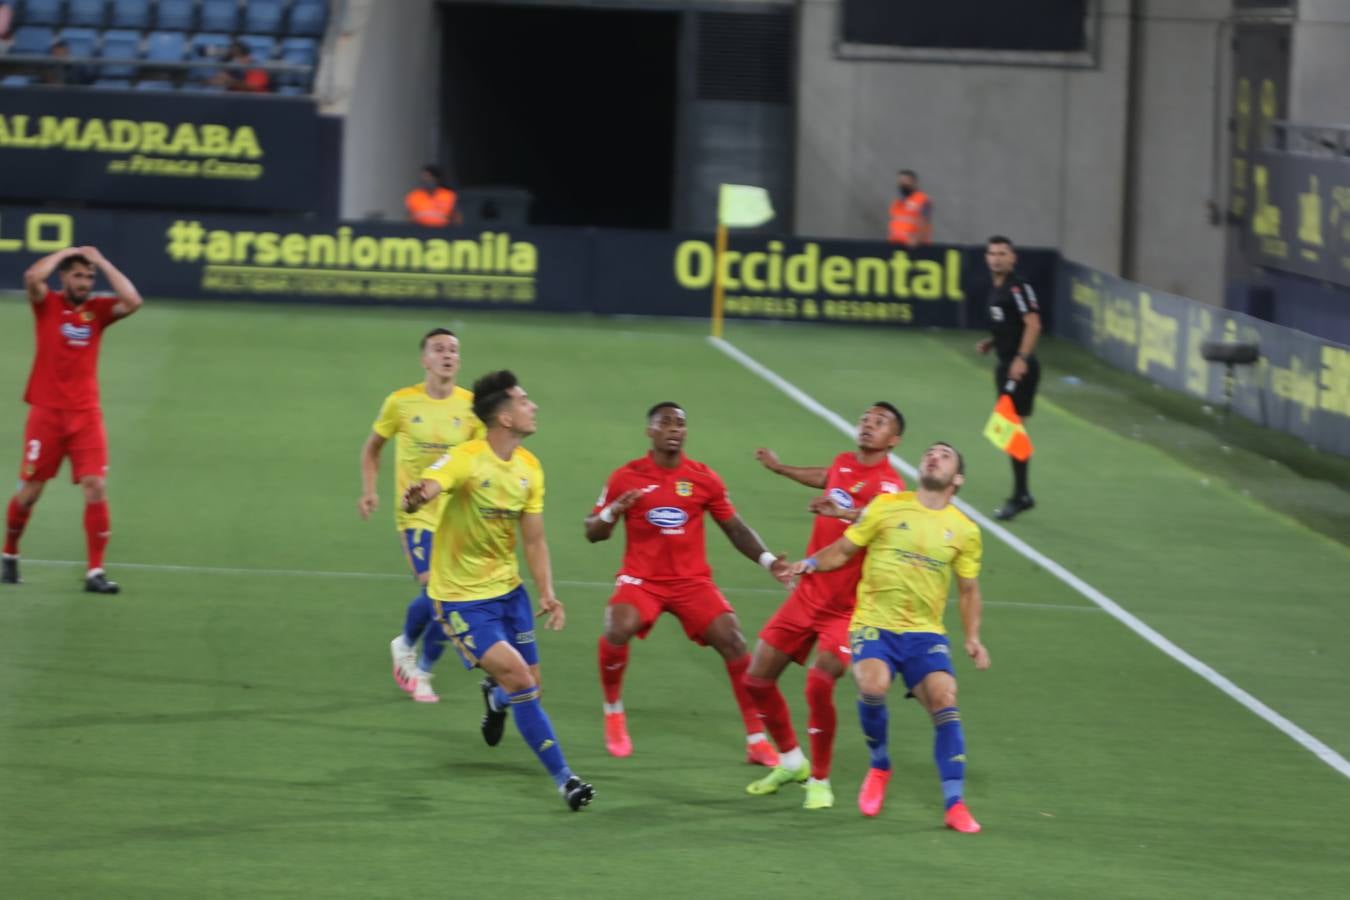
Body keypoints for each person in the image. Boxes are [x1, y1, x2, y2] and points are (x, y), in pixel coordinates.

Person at [401, 370, 593, 811]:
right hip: (462, 601)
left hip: (510, 594)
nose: (534, 406)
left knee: (530, 689)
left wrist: (547, 592)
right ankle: (567, 780)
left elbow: (534, 539)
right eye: (525, 401)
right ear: (504, 417)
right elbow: (435, 482)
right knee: (522, 680)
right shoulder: (466, 457)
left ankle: (496, 697)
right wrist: (419, 495)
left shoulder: (529, 467)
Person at [786, 442, 989, 832]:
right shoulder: (886, 506)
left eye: (944, 455)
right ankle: (879, 764)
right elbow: (844, 550)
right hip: (874, 624)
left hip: (924, 632)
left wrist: (973, 638)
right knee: (873, 684)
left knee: (945, 698)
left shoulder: (965, 530)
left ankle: (955, 803)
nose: (933, 456)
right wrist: (809, 563)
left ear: (958, 478)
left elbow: (968, 589)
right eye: (930, 452)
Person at [585, 402, 793, 765]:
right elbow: (593, 532)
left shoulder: (703, 478)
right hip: (642, 580)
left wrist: (769, 561)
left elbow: (734, 528)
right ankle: (614, 712)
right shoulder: (626, 477)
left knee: (733, 640)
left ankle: (757, 739)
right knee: (617, 627)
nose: (675, 429)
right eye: (665, 423)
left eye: (681, 424)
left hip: (691, 583)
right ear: (650, 431)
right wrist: (612, 511)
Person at [743, 403, 906, 810]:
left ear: (894, 440)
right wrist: (781, 469)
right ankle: (791, 761)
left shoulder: (890, 486)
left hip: (851, 609)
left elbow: (878, 520)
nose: (868, 424)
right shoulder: (843, 464)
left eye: (880, 422)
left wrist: (845, 512)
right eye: (866, 418)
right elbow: (826, 478)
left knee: (819, 683)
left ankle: (820, 779)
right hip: (808, 593)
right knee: (756, 680)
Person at [3, 247, 143, 593]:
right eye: (78, 275)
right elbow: (32, 277)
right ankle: (9, 554)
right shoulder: (46, 304)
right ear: (64, 276)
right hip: (46, 414)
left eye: (88, 277)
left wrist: (104, 262)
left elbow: (133, 301)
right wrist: (69, 252)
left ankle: (95, 572)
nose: (84, 282)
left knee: (95, 486)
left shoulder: (98, 312)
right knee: (30, 493)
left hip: (85, 415)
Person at [359, 328, 484, 703]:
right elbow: (372, 449)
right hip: (417, 515)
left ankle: (424, 668)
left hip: (458, 518)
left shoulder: (472, 408)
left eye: (453, 350)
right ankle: (406, 646)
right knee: (435, 585)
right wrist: (369, 491)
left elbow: (480, 461)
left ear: (459, 360)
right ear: (424, 359)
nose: (447, 355)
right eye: (439, 349)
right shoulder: (400, 403)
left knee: (451, 594)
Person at [975, 235, 1042, 521]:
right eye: (992, 253)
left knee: (1008, 429)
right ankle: (1021, 493)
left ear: (1012, 257)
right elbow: (1011, 324)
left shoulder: (1017, 286)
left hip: (1018, 368)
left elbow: (1033, 323)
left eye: (1002, 253)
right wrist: (992, 341)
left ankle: (1021, 495)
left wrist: (1021, 359)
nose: (997, 258)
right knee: (1010, 430)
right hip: (1005, 364)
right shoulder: (997, 288)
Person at [887, 169, 933, 247]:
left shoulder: (922, 200)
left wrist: (917, 239)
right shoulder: (897, 202)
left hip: (914, 245)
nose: (902, 183)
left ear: (914, 182)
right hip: (895, 243)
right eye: (900, 181)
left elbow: (925, 222)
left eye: (905, 180)